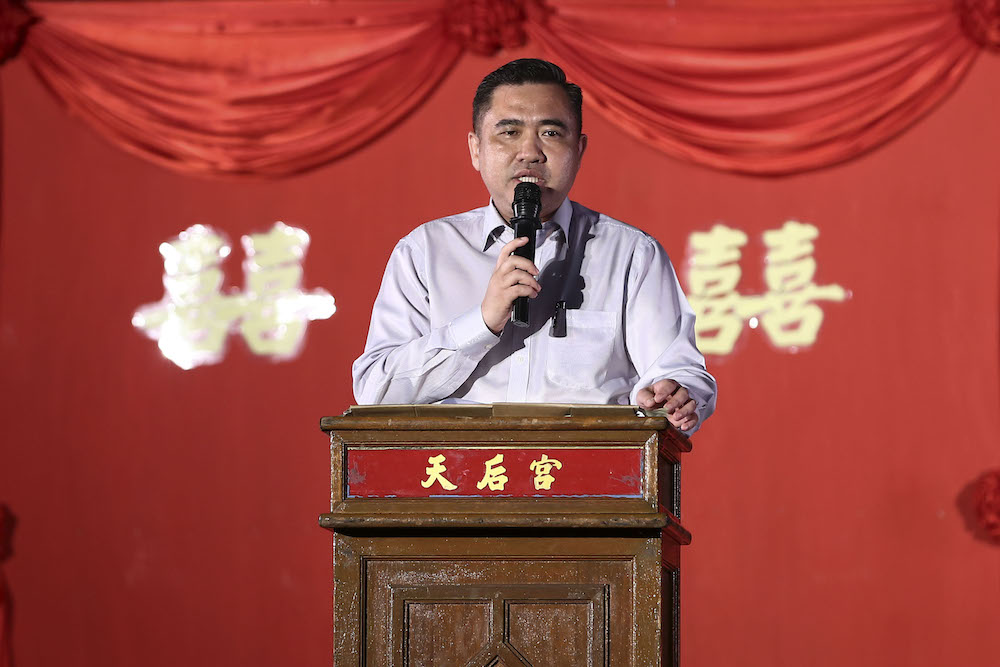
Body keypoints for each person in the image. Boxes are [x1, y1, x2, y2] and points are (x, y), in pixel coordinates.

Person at [352, 59, 716, 434]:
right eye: (509, 132)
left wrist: (673, 394)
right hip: (462, 479)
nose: (530, 152)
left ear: (579, 149)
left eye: (551, 134)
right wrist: (482, 322)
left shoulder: (631, 254)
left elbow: (677, 370)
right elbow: (376, 390)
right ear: (476, 149)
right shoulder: (426, 251)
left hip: (587, 479)